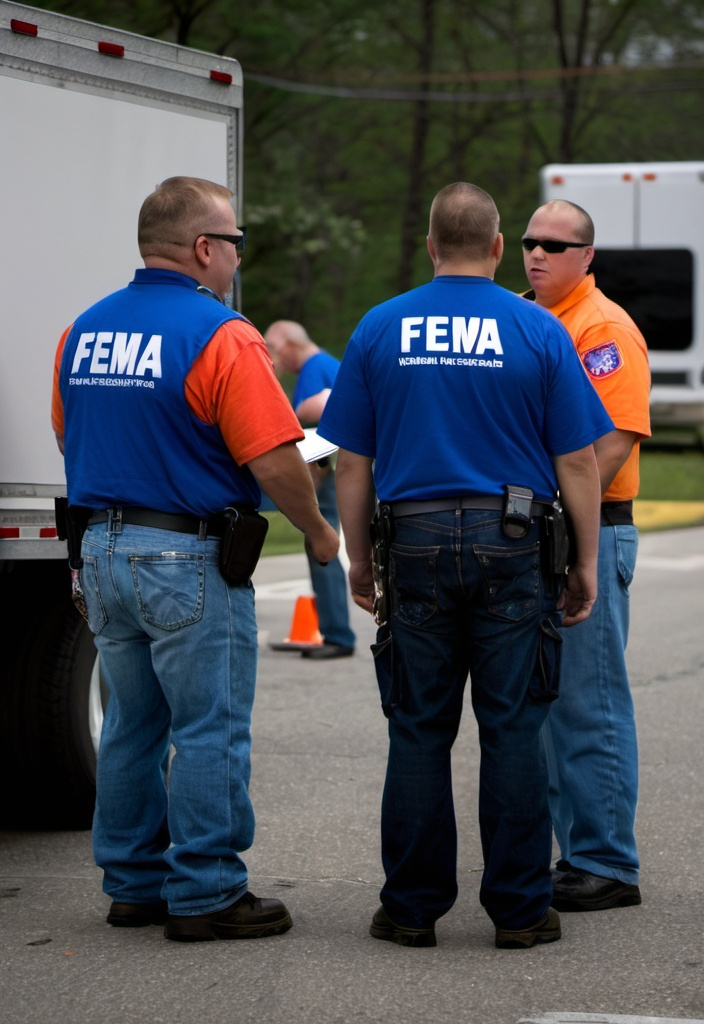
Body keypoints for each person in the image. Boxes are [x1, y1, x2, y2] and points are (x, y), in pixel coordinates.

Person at [317, 182, 613, 949]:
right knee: (513, 727)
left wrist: (357, 559)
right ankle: (519, 911)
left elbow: (353, 459)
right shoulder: (539, 330)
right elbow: (577, 460)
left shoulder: (381, 327)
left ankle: (411, 910)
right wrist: (584, 561)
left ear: (429, 246)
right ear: (494, 247)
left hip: (410, 542)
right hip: (513, 540)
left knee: (418, 728)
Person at [50, 176, 339, 942]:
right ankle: (208, 889)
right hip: (184, 553)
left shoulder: (82, 330)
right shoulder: (224, 334)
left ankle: (134, 883)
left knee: (133, 724)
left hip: (101, 548)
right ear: (205, 248)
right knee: (207, 726)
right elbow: (275, 458)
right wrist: (316, 529)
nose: (237, 256)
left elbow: (67, 433)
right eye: (235, 241)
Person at [522, 199, 651, 911]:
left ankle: (604, 861)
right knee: (549, 704)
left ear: (587, 258)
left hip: (590, 524)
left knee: (589, 703)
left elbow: (614, 440)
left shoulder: (600, 327)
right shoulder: (529, 316)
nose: (538, 254)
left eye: (556, 245)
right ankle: (574, 852)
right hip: (541, 528)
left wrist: (558, 515)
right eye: (531, 242)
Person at [263, 320, 356, 660]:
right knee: (321, 543)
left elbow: (318, 428)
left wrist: (315, 475)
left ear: (287, 345)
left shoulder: (314, 371)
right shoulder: (328, 364)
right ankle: (332, 629)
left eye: (273, 349)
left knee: (322, 545)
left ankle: (337, 634)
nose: (274, 359)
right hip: (336, 469)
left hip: (326, 472)